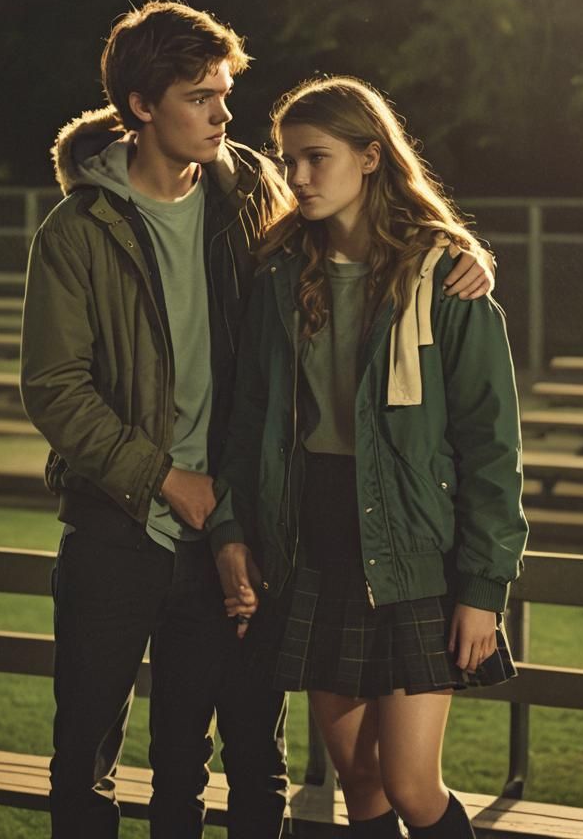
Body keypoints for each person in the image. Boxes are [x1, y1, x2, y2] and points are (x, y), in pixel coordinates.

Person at [20, 2, 496, 838]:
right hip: (122, 523)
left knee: (239, 763)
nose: (223, 113)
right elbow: (55, 389)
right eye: (201, 96)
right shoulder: (78, 229)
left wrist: (464, 254)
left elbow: (369, 223)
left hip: (241, 530)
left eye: (224, 93)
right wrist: (166, 478)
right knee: (85, 758)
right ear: (141, 104)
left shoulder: (252, 197)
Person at [213, 76, 528, 838]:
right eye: (289, 161)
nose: (298, 178)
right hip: (315, 551)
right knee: (359, 784)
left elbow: (493, 445)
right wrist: (234, 529)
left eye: (316, 158)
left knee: (413, 786)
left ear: (372, 156)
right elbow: (250, 415)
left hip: (413, 558)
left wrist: (483, 588)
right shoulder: (282, 272)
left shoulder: (446, 277)